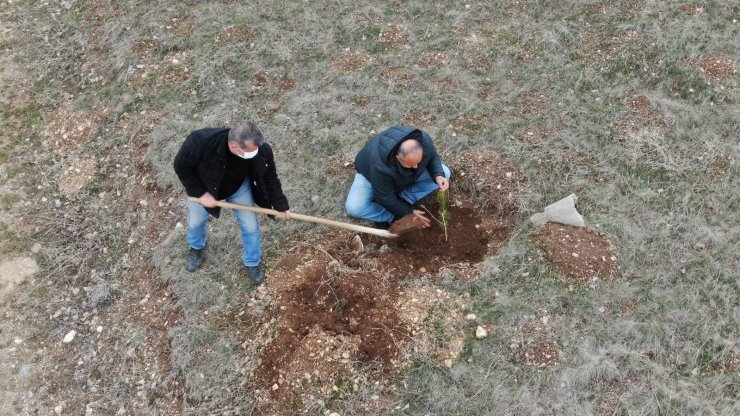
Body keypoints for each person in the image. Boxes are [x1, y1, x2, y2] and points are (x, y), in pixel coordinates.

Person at [173, 121, 290, 284]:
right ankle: (196, 247)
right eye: (250, 151)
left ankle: (252, 262)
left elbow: (270, 178)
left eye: (256, 149)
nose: (255, 153)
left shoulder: (261, 150)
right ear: (235, 146)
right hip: (205, 187)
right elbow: (181, 166)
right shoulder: (200, 141)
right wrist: (201, 193)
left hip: (238, 188)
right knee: (195, 222)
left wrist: (281, 205)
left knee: (250, 227)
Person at [345, 125, 450, 230]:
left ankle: (404, 199)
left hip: (401, 177)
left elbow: (432, 157)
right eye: (411, 164)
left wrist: (438, 174)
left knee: (445, 172)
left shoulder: (424, 141)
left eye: (418, 162)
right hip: (370, 176)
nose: (416, 167)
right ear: (398, 158)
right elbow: (384, 196)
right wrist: (407, 214)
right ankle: (391, 216)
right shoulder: (380, 166)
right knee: (353, 207)